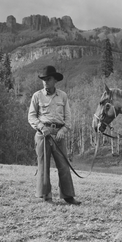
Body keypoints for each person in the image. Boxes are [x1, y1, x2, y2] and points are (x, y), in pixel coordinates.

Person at [27, 65, 81, 205]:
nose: (45, 82)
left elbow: (68, 118)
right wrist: (41, 127)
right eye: (43, 79)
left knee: (63, 165)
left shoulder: (63, 96)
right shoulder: (36, 96)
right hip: (42, 135)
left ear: (55, 80)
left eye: (48, 79)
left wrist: (63, 131)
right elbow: (31, 117)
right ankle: (46, 195)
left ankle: (68, 196)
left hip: (59, 135)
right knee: (43, 165)